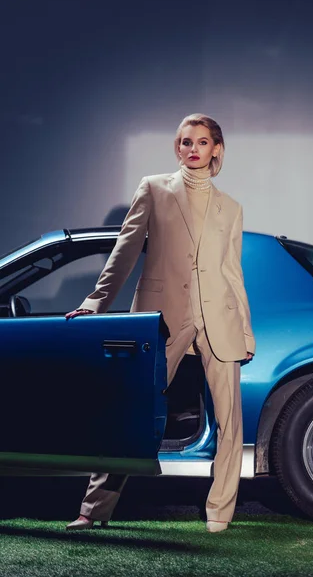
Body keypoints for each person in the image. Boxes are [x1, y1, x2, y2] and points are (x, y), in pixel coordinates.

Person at [65, 113, 255, 533]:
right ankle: (93, 509)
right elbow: (125, 249)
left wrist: (244, 331)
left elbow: (231, 273)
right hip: (162, 317)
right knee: (133, 413)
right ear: (178, 146)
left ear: (216, 149)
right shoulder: (154, 188)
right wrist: (97, 301)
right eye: (185, 141)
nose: (192, 149)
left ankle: (219, 511)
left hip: (218, 319)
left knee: (230, 422)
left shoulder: (231, 208)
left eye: (201, 142)